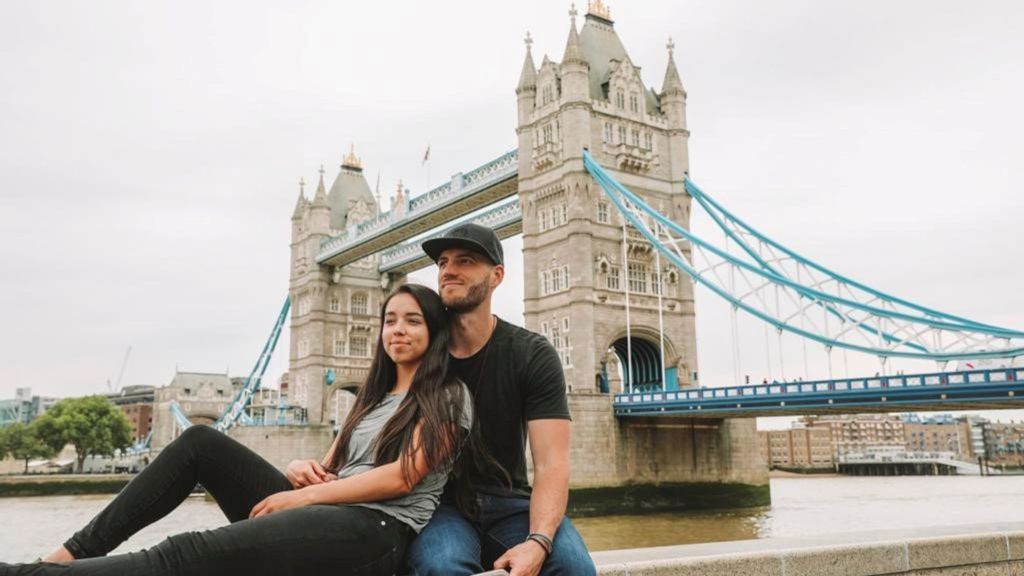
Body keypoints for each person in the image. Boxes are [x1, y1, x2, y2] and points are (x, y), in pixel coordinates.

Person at [1, 284, 473, 576]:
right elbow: (331, 468)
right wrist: (300, 469)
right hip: (328, 510)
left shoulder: (449, 396)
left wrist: (300, 496)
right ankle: (62, 557)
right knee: (200, 443)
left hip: (377, 530)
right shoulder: (370, 397)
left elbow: (402, 477)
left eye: (413, 321)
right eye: (390, 320)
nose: (398, 330)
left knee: (188, 551)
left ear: (433, 332)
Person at [408, 223, 596, 576]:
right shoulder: (420, 350)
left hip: (510, 502)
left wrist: (538, 541)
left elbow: (551, 464)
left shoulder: (532, 353)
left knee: (574, 568)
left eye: (465, 261)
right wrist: (325, 466)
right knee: (442, 567)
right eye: (443, 262)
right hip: (439, 504)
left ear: (496, 276)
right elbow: (372, 410)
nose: (448, 270)